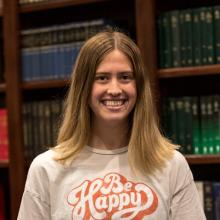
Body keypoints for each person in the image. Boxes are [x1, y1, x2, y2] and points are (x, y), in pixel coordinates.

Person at [17, 29, 206, 220]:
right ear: (84, 87)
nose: (114, 90)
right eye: (102, 78)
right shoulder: (46, 169)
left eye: (125, 77)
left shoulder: (172, 165)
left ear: (138, 87)